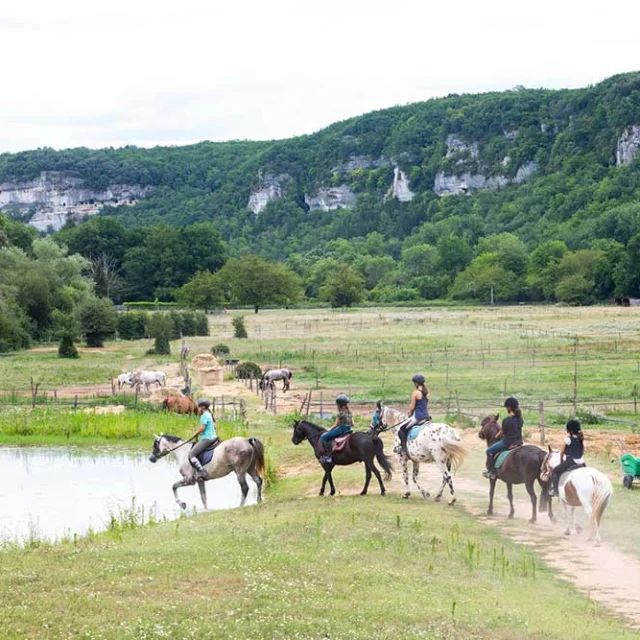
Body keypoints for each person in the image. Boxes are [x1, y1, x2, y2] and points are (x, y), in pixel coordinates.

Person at [482, 396, 523, 479]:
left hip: (507, 442)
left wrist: (496, 436)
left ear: (509, 408)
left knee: (489, 451)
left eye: (506, 408)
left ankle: (491, 471)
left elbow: (501, 433)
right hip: (519, 442)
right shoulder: (520, 419)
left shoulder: (506, 420)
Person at [548, 419, 585, 497]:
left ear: (570, 431)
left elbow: (562, 452)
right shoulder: (581, 439)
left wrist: (561, 461)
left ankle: (555, 491)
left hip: (571, 462)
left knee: (554, 472)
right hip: (581, 462)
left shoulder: (568, 439)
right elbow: (582, 451)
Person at [396, 374, 430, 453]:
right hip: (426, 416)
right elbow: (426, 405)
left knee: (401, 429)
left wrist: (410, 414)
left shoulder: (416, 393)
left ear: (416, 383)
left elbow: (412, 407)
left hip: (418, 417)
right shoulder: (427, 392)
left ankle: (403, 448)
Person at [319, 394, 354, 463]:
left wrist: (329, 429)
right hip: (348, 430)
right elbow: (353, 424)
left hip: (341, 430)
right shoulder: (349, 413)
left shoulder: (340, 413)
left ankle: (328, 456)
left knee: (323, 437)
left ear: (339, 405)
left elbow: (336, 424)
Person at [189, 398, 218, 479]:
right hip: (213, 437)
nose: (198, 409)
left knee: (191, 454)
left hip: (207, 438)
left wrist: (196, 433)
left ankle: (202, 471)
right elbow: (214, 427)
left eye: (198, 407)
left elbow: (202, 428)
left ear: (202, 407)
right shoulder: (209, 414)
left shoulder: (204, 416)